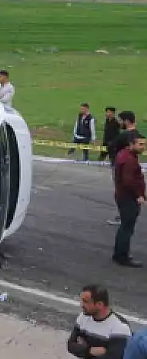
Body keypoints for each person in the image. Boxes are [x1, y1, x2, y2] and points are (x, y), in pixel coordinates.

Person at [66, 284, 130, 358]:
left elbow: (114, 357)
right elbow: (71, 346)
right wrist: (90, 350)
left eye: (85, 301)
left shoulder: (120, 327)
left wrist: (83, 350)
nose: (81, 305)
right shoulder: (83, 317)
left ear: (100, 304)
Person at [112, 132, 145, 267]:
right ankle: (122, 256)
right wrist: (139, 195)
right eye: (141, 144)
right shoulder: (129, 160)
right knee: (127, 227)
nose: (143, 147)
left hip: (123, 195)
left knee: (125, 227)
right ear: (131, 144)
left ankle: (119, 253)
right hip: (128, 198)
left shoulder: (125, 155)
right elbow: (128, 181)